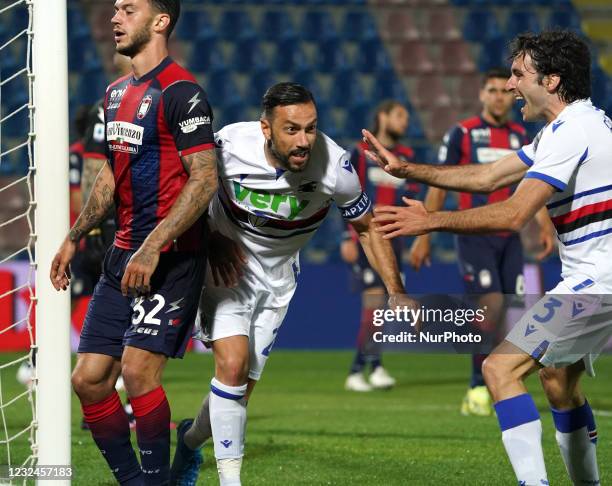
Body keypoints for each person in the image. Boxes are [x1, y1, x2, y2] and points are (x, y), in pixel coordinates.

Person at [366, 30, 611, 485]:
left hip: (596, 282)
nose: (512, 85)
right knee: (558, 381)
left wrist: (430, 222)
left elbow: (516, 211)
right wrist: (406, 169)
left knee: (499, 368)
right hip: (597, 280)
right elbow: (488, 174)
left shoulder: (571, 131)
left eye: (520, 75)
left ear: (552, 80)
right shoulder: (574, 125)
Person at [169, 82, 410, 486]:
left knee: (238, 395)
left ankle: (190, 440)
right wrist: (208, 240)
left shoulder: (335, 166)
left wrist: (397, 290)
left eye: (311, 129)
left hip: (278, 279)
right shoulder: (228, 145)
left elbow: (368, 229)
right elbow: (182, 187)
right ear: (266, 129)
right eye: (292, 130)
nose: (304, 141)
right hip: (224, 272)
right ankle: (231, 481)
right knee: (231, 365)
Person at [49, 0, 218, 484]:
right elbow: (108, 174)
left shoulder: (182, 92)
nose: (115, 17)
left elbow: (204, 179)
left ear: (160, 21)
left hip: (171, 258)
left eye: (128, 8)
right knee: (88, 380)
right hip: (121, 254)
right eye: (115, 8)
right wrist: (74, 237)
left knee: (139, 372)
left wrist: (154, 245)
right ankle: (137, 481)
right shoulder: (116, 92)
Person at [409, 69, 555, 416]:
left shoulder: (522, 133)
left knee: (504, 312)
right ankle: (477, 385)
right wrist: (425, 233)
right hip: (475, 234)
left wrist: (544, 225)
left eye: (503, 91)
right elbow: (440, 182)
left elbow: (532, 184)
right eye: (491, 91)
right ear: (482, 95)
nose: (499, 97)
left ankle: (495, 377)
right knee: (488, 307)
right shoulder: (463, 133)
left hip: (510, 236)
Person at [341, 100, 417, 392]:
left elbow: (409, 199)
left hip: (394, 240)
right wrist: (347, 237)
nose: (405, 121)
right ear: (382, 116)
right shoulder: (360, 154)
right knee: (374, 305)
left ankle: (375, 367)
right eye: (400, 115)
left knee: (385, 306)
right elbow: (347, 195)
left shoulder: (406, 156)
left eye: (407, 116)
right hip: (367, 238)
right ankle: (357, 370)